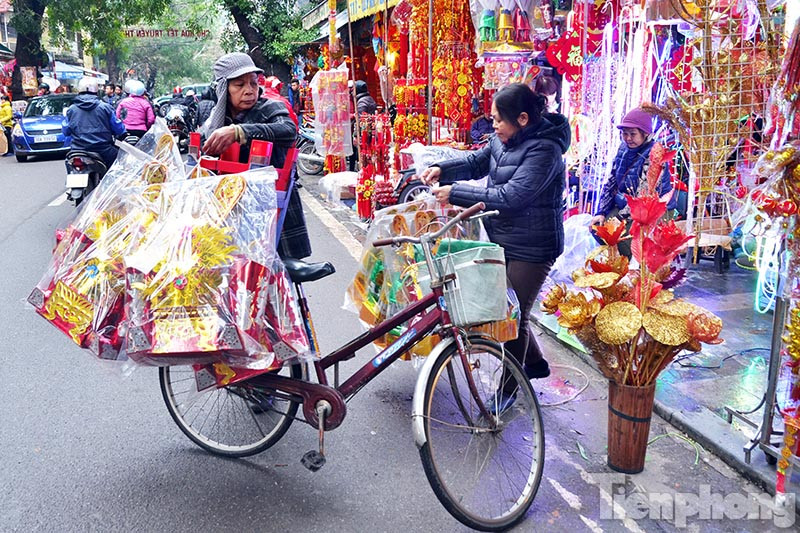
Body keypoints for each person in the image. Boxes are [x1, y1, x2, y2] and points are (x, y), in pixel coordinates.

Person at [420, 83, 571, 411]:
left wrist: (455, 192)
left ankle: (509, 388)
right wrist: (442, 169)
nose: (494, 126)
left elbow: (513, 196)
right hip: (503, 237)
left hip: (534, 246)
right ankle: (534, 364)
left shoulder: (546, 151)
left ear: (522, 119)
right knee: (510, 309)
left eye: (498, 120)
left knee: (510, 316)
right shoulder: (502, 139)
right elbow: (477, 162)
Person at [201, 52, 310, 260]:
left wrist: (239, 132)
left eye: (252, 83)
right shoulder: (215, 120)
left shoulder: (270, 106)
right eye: (239, 85)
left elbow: (288, 130)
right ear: (223, 89)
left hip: (273, 210)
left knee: (277, 274)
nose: (249, 90)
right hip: (232, 211)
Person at [590, 107, 677, 257]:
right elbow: (611, 182)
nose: (628, 138)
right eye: (625, 134)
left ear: (645, 134)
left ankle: (635, 270)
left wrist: (618, 219)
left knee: (627, 240)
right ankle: (618, 266)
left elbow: (643, 196)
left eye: (633, 134)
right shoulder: (623, 149)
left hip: (652, 210)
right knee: (599, 229)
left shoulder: (655, 154)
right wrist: (601, 212)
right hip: (626, 206)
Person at [62, 77, 126, 169]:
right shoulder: (105, 107)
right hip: (103, 149)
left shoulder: (72, 109)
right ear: (96, 91)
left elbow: (66, 131)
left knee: (70, 166)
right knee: (118, 167)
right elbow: (118, 128)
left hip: (78, 149)